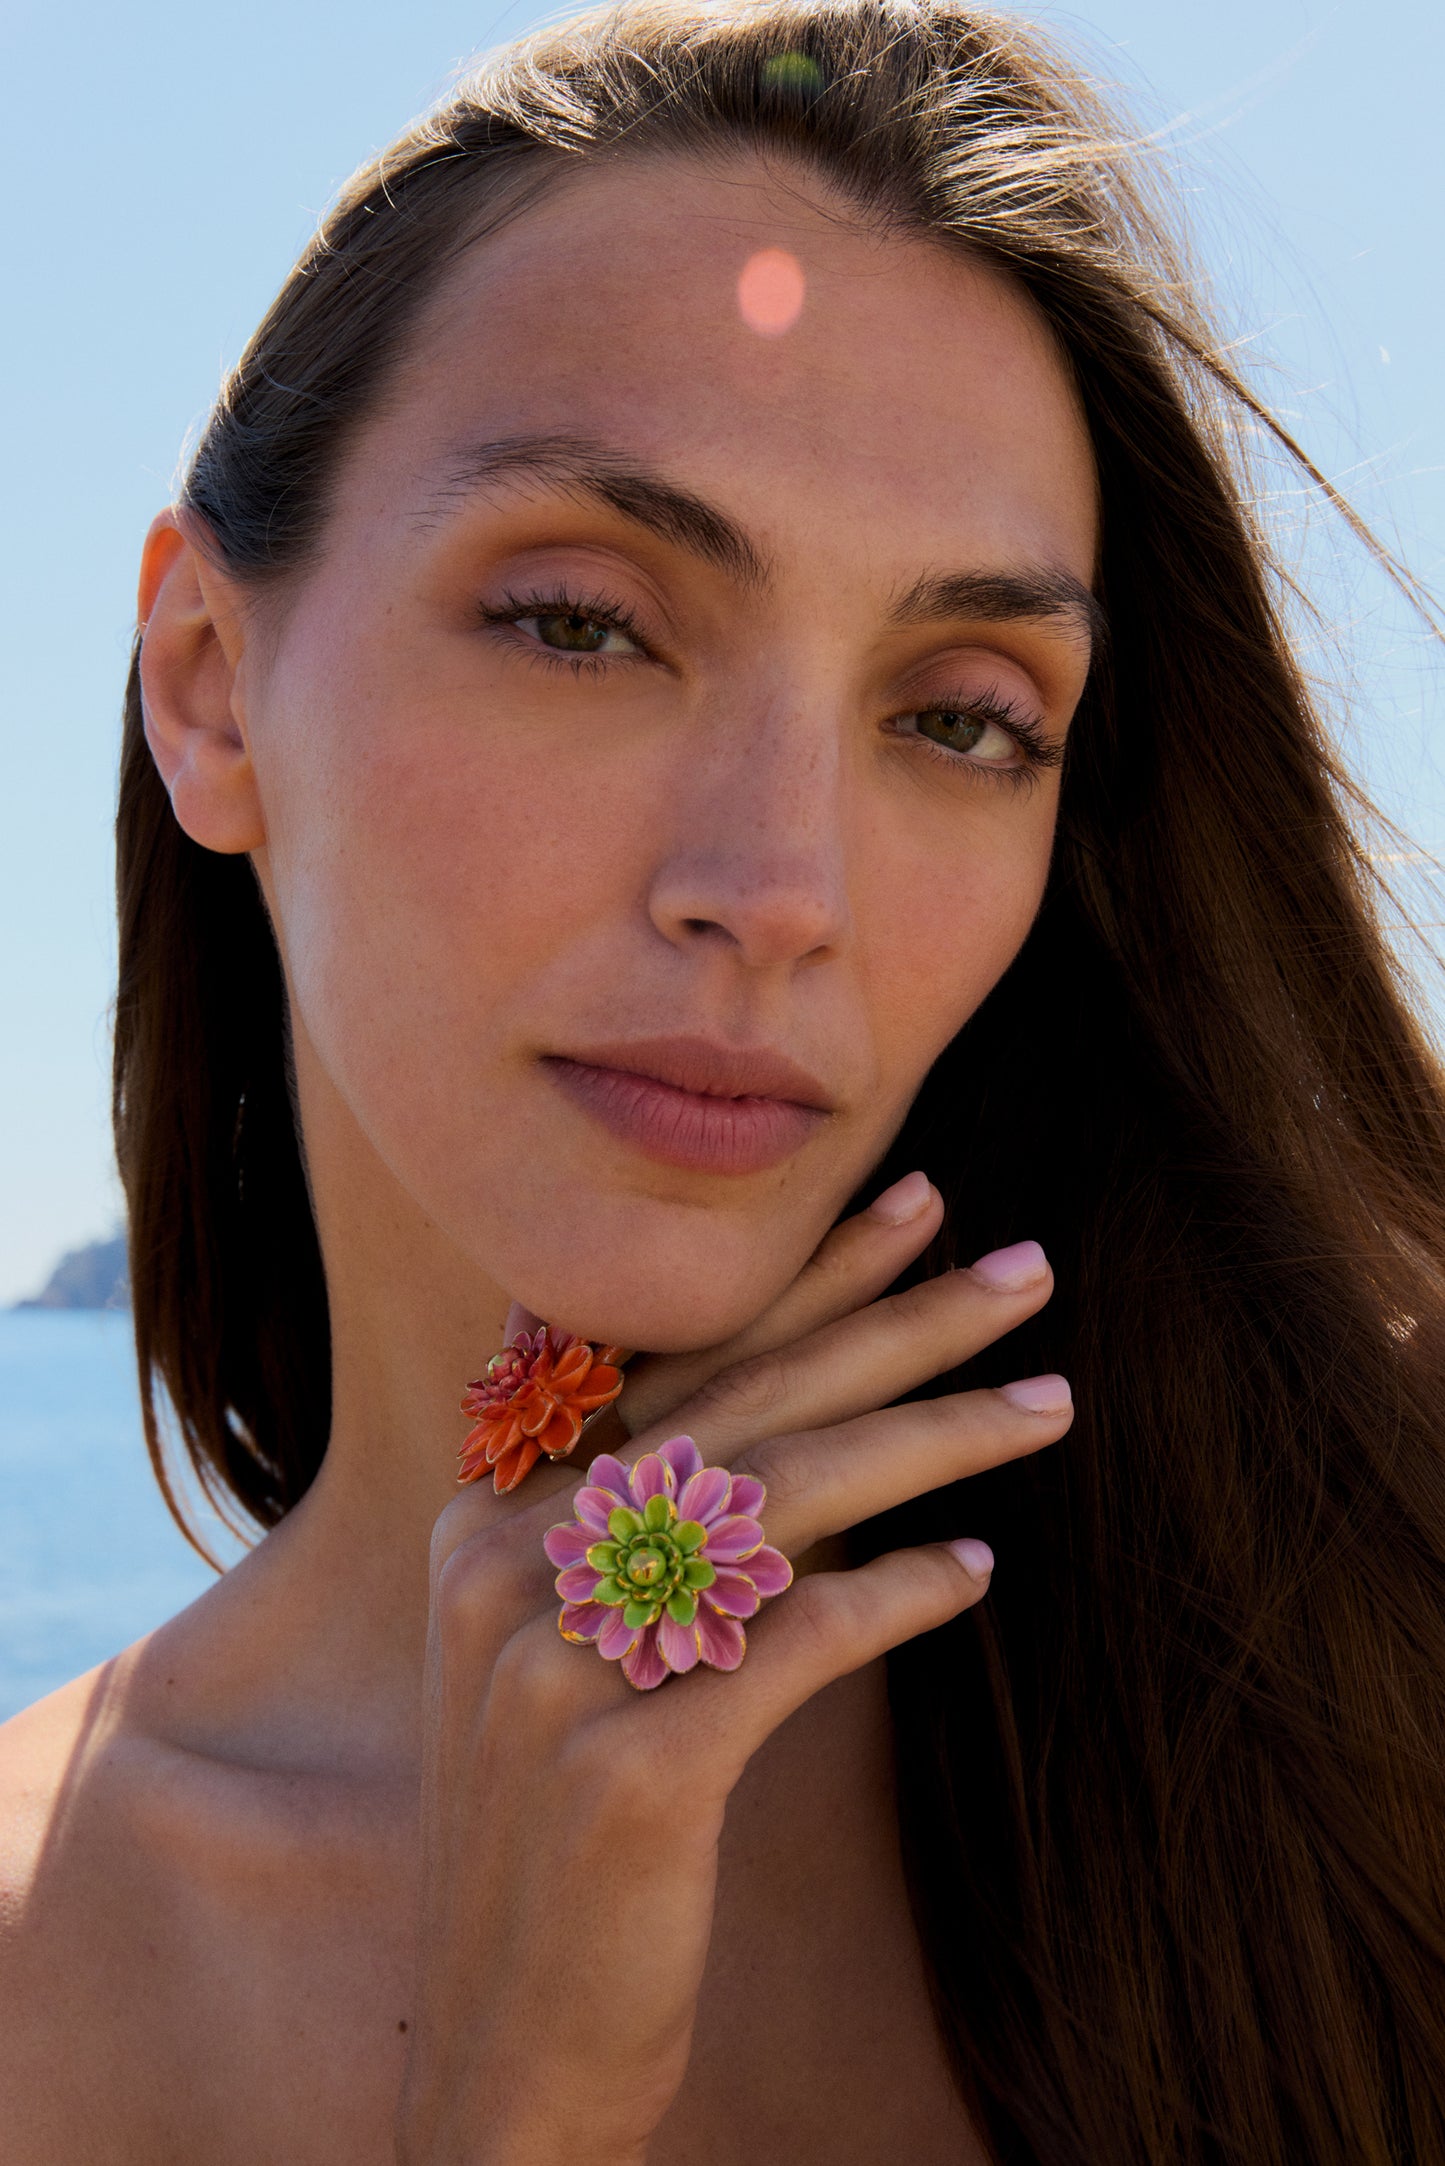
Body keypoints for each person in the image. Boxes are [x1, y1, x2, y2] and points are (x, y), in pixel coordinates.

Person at [3, 1, 1443, 2158]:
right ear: (211, 690)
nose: (777, 889)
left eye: (959, 717)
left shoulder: (1370, 1635)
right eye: (585, 622)